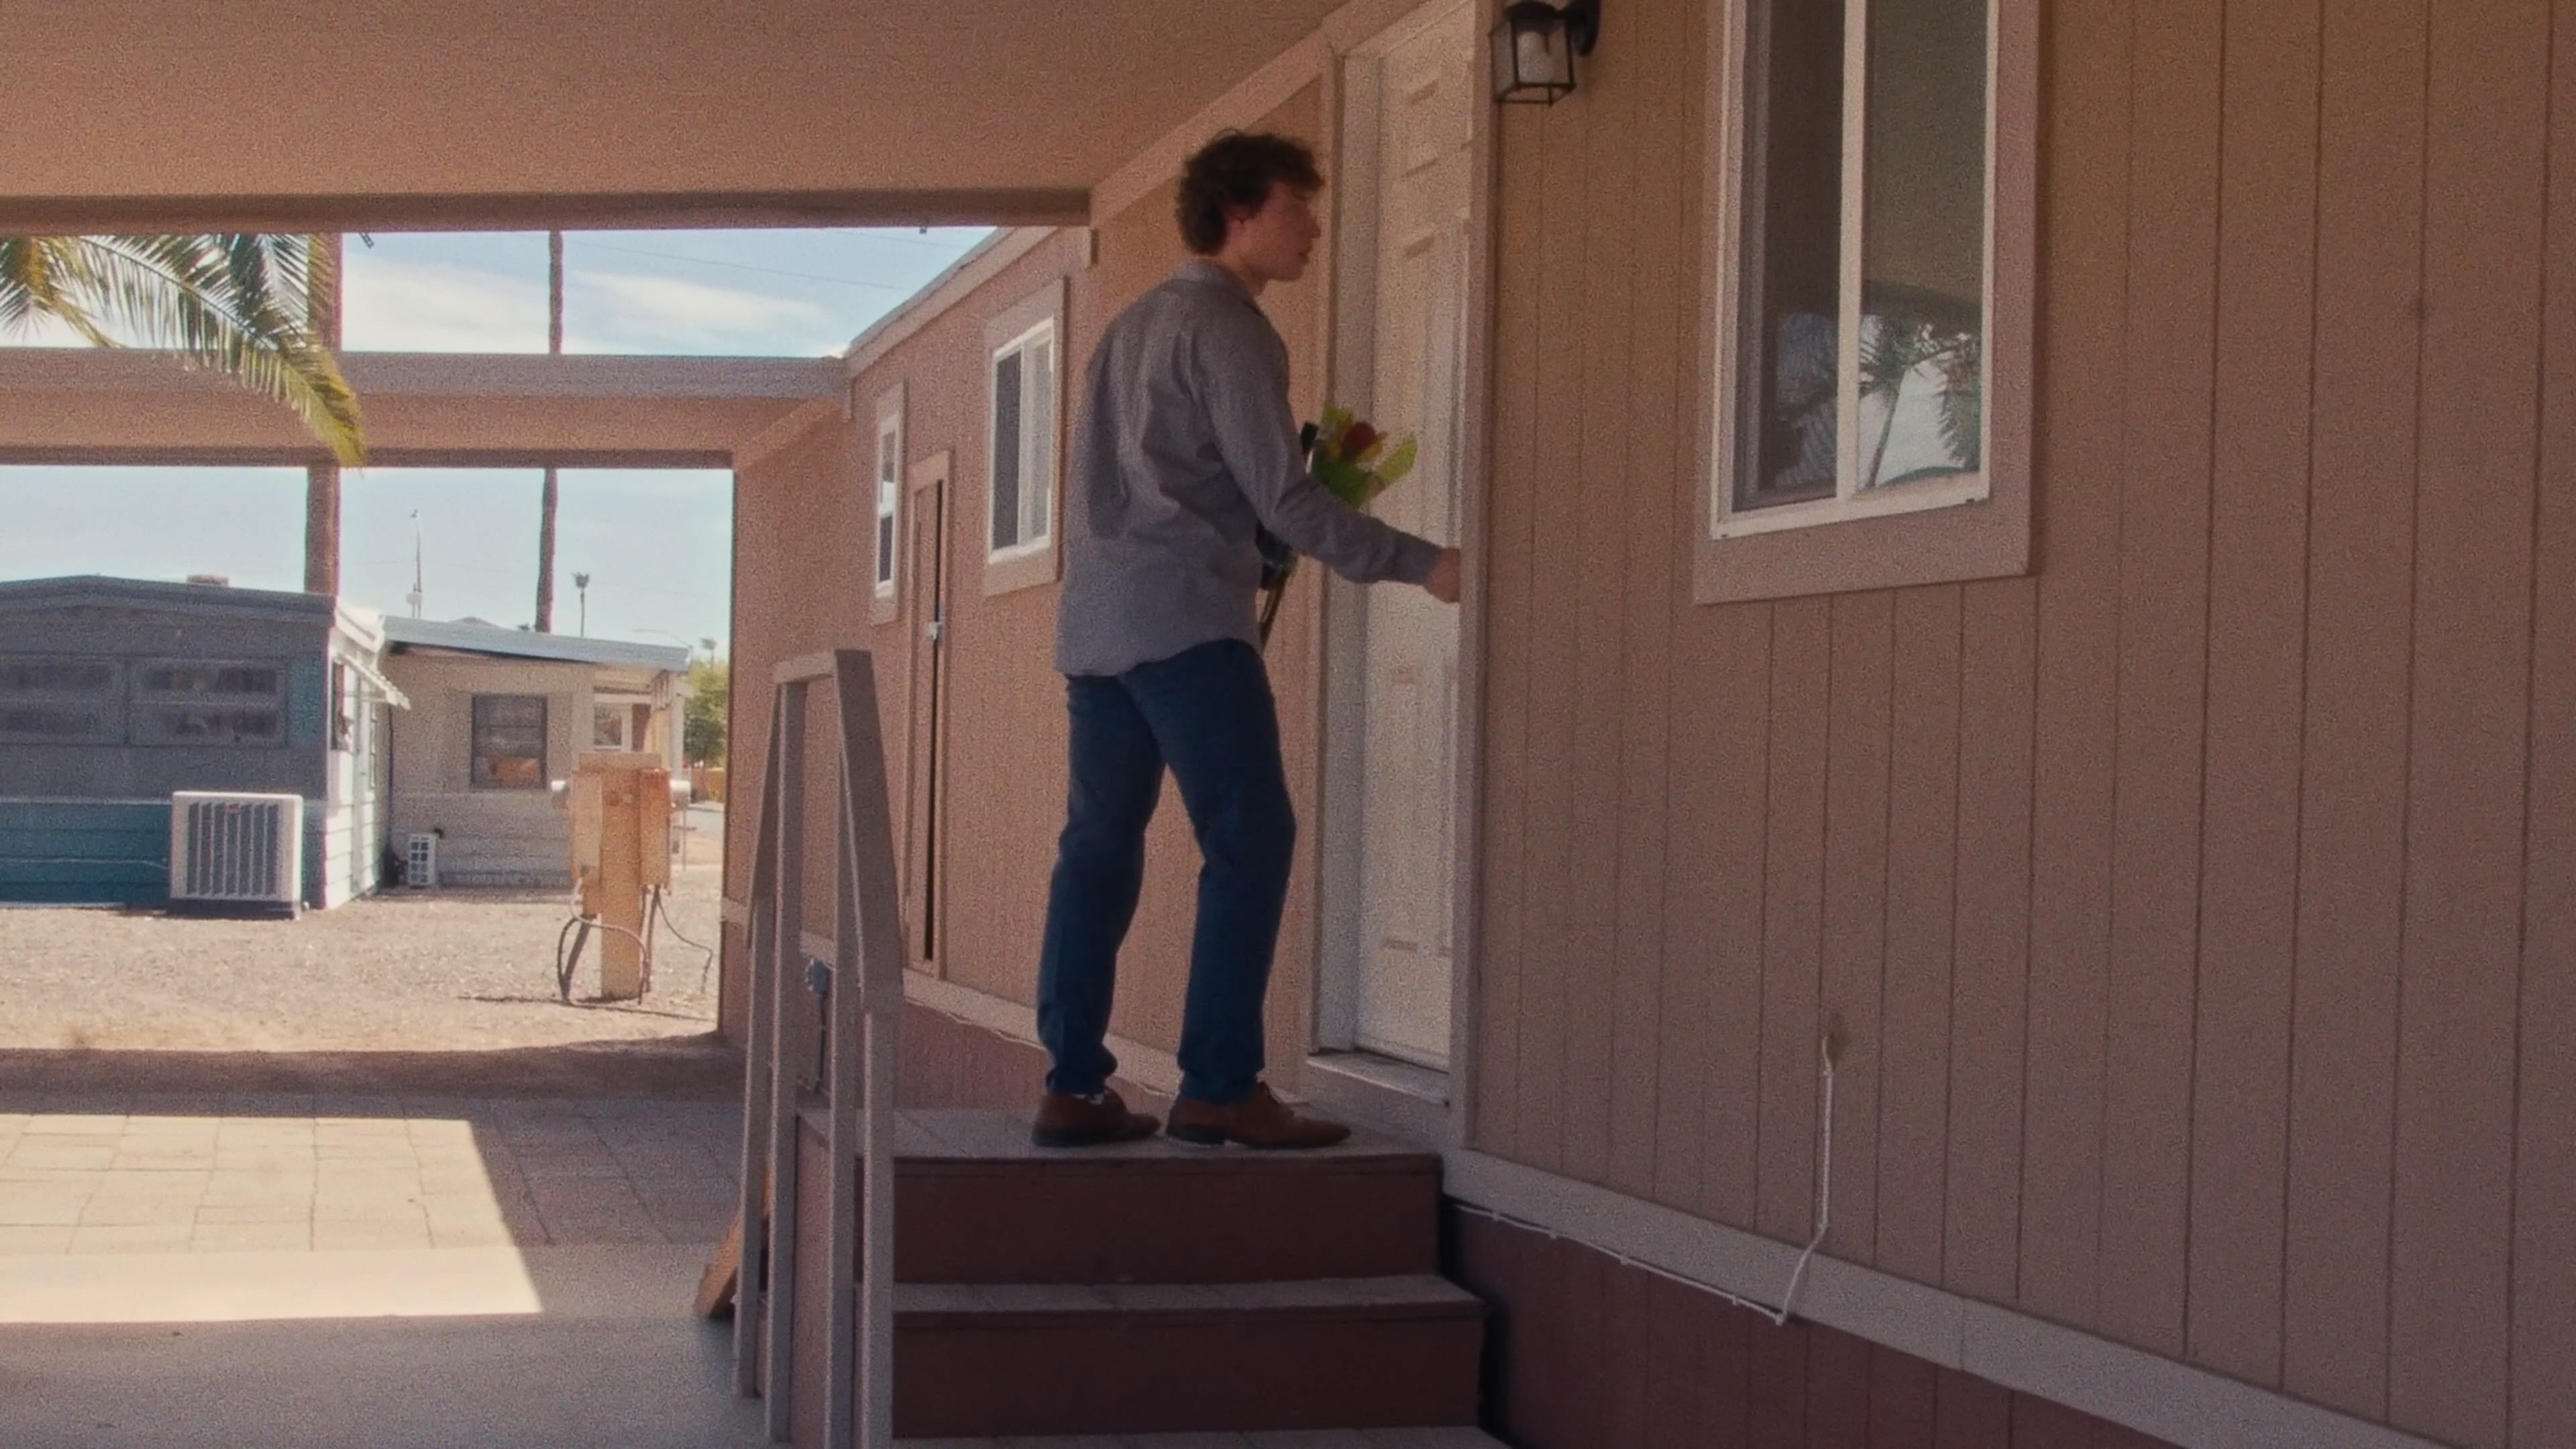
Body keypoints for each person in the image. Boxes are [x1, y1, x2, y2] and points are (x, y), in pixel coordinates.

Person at [1030, 131, 1462, 1150]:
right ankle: (1220, 1086)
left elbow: (1134, 488)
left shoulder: (1129, 328)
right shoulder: (1229, 329)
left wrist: (1252, 543)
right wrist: (1426, 564)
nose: (1312, 226)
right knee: (1250, 838)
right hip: (1186, 628)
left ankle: (1072, 1087)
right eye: (1294, 206)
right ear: (1237, 214)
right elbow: (1287, 500)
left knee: (1097, 851)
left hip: (1098, 629)